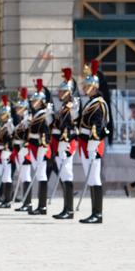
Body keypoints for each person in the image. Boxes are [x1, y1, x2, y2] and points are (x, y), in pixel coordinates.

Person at [77, 60, 108, 224]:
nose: (83, 88)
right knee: (91, 179)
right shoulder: (89, 102)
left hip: (92, 144)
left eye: (86, 86)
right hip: (84, 143)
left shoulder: (99, 104)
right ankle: (94, 212)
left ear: (94, 88)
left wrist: (93, 143)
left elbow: (98, 125)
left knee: (95, 178)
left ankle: (98, 213)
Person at [51, 69, 78, 220]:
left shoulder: (71, 106)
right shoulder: (63, 106)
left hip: (68, 142)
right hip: (61, 142)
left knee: (67, 175)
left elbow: (71, 123)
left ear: (67, 92)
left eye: (61, 91)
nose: (59, 94)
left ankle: (69, 210)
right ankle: (66, 208)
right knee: (63, 175)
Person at [25, 80, 52, 216]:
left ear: (41, 101)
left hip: (40, 147)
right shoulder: (36, 114)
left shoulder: (44, 114)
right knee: (39, 176)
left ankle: (42, 207)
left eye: (35, 100)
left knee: (42, 176)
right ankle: (40, 206)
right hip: (34, 146)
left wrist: (43, 145)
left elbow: (46, 132)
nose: (32, 102)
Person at [0, 96, 15, 208]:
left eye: (3, 114)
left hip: (6, 153)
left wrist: (8, 148)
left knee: (7, 177)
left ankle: (7, 200)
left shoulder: (9, 125)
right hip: (1, 153)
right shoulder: (3, 126)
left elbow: (12, 138)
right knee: (4, 177)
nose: (1, 116)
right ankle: (5, 199)